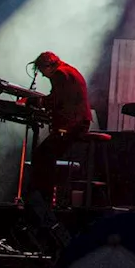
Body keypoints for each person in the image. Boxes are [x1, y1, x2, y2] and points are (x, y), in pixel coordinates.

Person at [27, 51, 92, 215]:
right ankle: (44, 200)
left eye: (42, 72)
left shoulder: (60, 74)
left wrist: (36, 101)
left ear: (48, 66)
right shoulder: (68, 70)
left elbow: (57, 100)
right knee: (45, 154)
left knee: (43, 155)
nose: (43, 75)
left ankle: (44, 202)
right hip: (77, 123)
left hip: (73, 126)